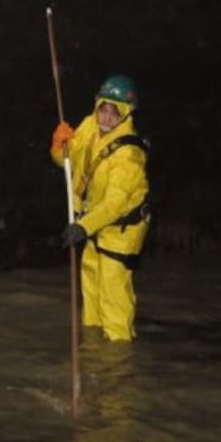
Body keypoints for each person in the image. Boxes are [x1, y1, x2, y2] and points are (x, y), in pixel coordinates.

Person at [50, 74, 150, 342]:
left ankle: (118, 362)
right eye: (103, 109)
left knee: (113, 297)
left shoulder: (129, 155)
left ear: (126, 114)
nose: (106, 117)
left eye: (113, 112)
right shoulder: (89, 125)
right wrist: (59, 147)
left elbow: (115, 204)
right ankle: (94, 355)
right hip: (93, 224)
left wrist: (83, 226)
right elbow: (68, 161)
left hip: (120, 231)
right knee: (91, 297)